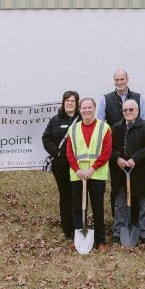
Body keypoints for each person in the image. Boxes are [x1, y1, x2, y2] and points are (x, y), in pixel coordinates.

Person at [97, 68, 145, 239]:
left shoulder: (139, 99)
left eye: (122, 79)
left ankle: (138, 228)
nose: (119, 82)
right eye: (116, 79)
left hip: (138, 159)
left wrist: (137, 157)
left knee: (139, 192)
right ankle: (120, 229)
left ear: (127, 79)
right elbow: (101, 125)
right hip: (117, 156)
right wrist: (115, 156)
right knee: (119, 193)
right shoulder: (106, 100)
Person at [65, 97, 112, 249]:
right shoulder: (73, 128)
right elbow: (69, 152)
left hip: (96, 173)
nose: (86, 110)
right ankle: (79, 237)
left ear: (94, 108)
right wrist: (78, 170)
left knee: (97, 207)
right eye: (84, 108)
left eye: (89, 107)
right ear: (80, 110)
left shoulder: (104, 128)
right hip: (77, 174)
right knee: (77, 207)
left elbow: (106, 151)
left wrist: (92, 168)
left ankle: (101, 240)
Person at [110, 99, 145, 243]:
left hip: (141, 171)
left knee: (144, 204)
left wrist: (135, 159)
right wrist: (117, 158)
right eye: (125, 110)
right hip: (121, 172)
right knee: (120, 204)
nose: (128, 112)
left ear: (137, 111)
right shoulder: (116, 127)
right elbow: (110, 147)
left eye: (131, 110)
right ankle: (119, 232)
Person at [42, 91, 80, 240]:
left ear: (77, 103)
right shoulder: (55, 120)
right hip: (61, 165)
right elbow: (46, 138)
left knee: (77, 195)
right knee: (65, 196)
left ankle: (79, 225)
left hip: (78, 165)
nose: (69, 103)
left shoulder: (82, 120)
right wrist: (56, 152)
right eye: (67, 101)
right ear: (63, 103)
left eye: (72, 101)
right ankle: (67, 228)